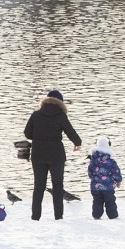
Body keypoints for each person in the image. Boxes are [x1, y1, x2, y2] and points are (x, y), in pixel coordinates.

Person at [24, 90, 82, 221]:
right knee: (58, 185)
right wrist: (77, 143)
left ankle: (35, 216)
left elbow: (27, 133)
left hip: (38, 154)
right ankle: (58, 216)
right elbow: (70, 132)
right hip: (56, 154)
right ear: (60, 102)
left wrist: (39, 137)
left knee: (38, 186)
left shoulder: (36, 115)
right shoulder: (61, 116)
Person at [88, 137, 122, 219]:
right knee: (110, 201)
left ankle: (96, 215)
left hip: (95, 187)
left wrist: (93, 179)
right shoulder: (111, 162)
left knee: (97, 201)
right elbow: (116, 172)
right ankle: (113, 216)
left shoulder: (93, 161)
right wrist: (118, 181)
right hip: (108, 187)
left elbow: (90, 173)